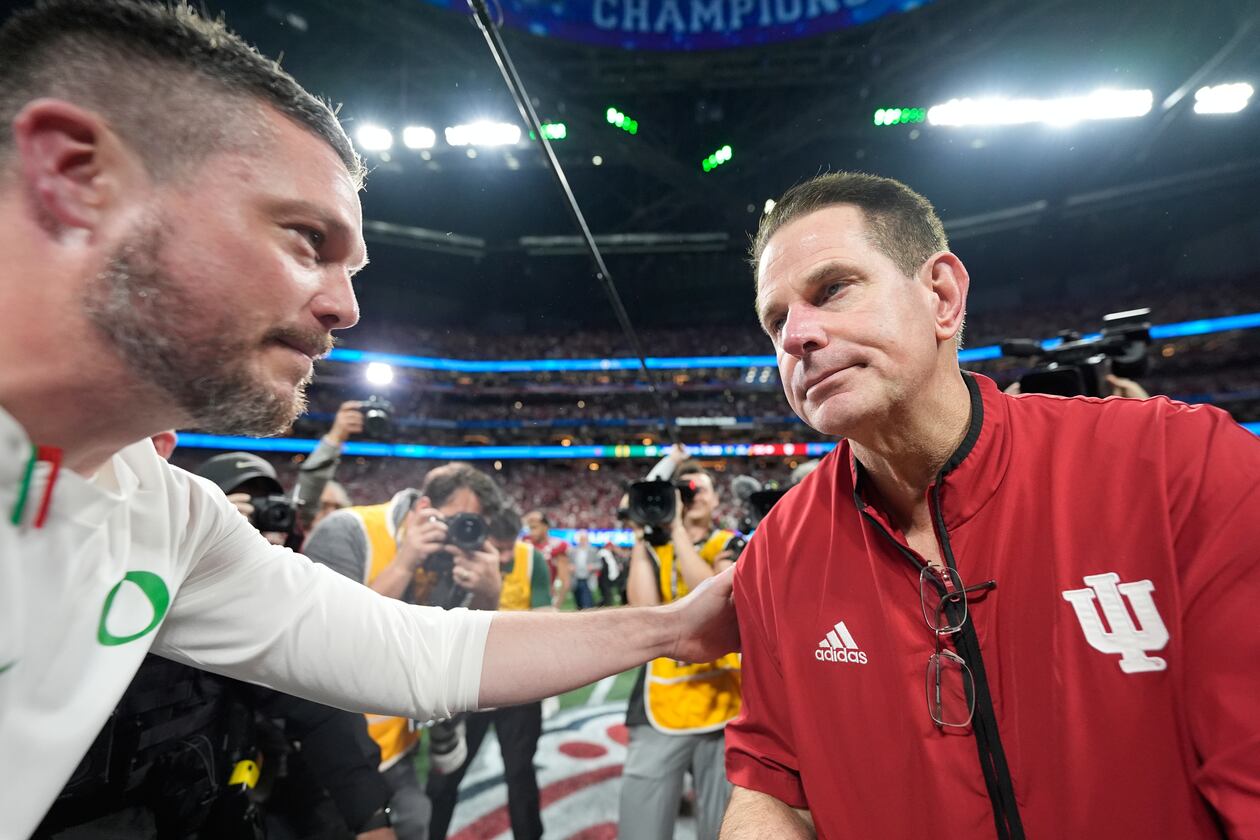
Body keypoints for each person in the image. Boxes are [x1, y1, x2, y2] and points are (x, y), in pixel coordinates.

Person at [0, 4, 738, 837]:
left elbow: (410, 652)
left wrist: (673, 625)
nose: (345, 306)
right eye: (307, 240)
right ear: (73, 178)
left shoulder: (162, 513)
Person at [721, 172, 1260, 839]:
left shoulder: (1180, 463)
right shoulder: (774, 556)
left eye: (832, 289)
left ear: (942, 296)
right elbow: (772, 788)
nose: (796, 335)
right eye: (775, 322)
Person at [302, 462, 508, 839]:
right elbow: (326, 640)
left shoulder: (459, 560)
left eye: (472, 526)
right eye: (455, 520)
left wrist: (488, 595)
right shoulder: (348, 530)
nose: (459, 535)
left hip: (397, 743)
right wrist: (404, 562)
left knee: (417, 823)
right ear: (423, 506)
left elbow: (457, 654)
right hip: (327, 742)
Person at [619, 462, 742, 840]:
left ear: (717, 499)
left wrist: (675, 531)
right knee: (642, 825)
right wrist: (643, 537)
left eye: (701, 488)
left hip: (724, 703)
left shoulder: (728, 542)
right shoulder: (654, 550)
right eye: (685, 491)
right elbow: (644, 614)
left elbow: (715, 600)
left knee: (721, 826)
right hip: (661, 698)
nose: (694, 495)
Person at [425, 505, 552, 840]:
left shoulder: (531, 559)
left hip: (518, 687)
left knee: (520, 773)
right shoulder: (460, 559)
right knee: (445, 776)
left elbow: (544, 616)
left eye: (512, 545)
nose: (507, 554)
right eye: (501, 546)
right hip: (470, 686)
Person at [523, 510, 572, 608]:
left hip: (545, 597)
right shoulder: (525, 543)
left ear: (545, 527)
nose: (531, 532)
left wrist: (556, 605)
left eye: (535, 527)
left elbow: (565, 580)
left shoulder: (557, 545)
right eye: (530, 528)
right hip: (523, 597)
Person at [569, 529, 598, 609]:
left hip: (587, 579)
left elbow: (599, 564)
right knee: (578, 602)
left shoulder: (593, 550)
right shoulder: (573, 550)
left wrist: (593, 566)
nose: (582, 541)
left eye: (584, 539)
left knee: (587, 602)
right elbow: (568, 564)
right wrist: (570, 567)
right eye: (581, 539)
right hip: (576, 578)